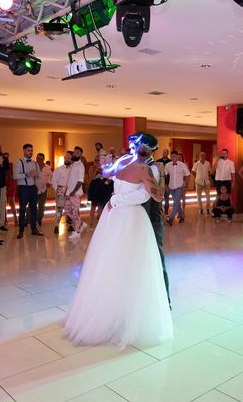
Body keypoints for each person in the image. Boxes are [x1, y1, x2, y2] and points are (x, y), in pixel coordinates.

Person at [63, 141, 172, 348]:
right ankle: (130, 315)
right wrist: (158, 180)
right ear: (150, 151)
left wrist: (116, 200)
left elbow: (107, 176)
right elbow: (156, 195)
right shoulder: (145, 169)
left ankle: (109, 312)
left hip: (113, 216)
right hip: (132, 217)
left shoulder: (121, 163)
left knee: (111, 260)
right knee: (137, 263)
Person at [128, 133, 170, 305]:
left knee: (155, 260)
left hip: (150, 221)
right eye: (138, 145)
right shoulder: (133, 166)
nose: (139, 149)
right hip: (134, 220)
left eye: (144, 146)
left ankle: (162, 301)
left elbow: (154, 196)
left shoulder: (153, 168)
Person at [14, 144, 42, 238]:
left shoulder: (34, 163)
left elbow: (39, 175)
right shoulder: (19, 162)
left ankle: (34, 229)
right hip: (23, 188)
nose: (31, 152)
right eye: (29, 150)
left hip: (33, 187)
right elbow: (15, 176)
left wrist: (36, 174)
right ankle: (21, 230)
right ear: (24, 151)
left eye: (31, 150)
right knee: (22, 209)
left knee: (34, 209)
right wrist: (27, 174)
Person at [66, 149, 87, 240]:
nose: (74, 154)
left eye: (77, 153)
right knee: (67, 211)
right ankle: (81, 224)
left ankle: (77, 231)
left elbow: (80, 181)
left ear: (81, 155)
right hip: (68, 193)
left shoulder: (80, 165)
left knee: (75, 213)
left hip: (75, 194)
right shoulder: (72, 164)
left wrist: (73, 192)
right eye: (74, 152)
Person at [165, 151, 190, 225]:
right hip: (171, 187)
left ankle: (171, 219)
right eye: (172, 156)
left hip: (179, 186)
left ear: (177, 156)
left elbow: (188, 174)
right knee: (177, 203)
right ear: (170, 157)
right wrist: (166, 185)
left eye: (175, 156)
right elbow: (166, 176)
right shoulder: (167, 165)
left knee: (175, 203)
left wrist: (185, 183)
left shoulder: (183, 165)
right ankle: (181, 217)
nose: (173, 158)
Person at [52, 153, 71, 234]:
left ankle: (70, 226)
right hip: (60, 191)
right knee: (59, 209)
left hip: (70, 191)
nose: (66, 159)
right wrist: (58, 190)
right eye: (65, 158)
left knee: (70, 209)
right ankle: (56, 226)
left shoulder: (73, 169)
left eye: (68, 158)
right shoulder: (58, 169)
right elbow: (54, 181)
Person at [35, 153, 53, 227]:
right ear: (36, 158)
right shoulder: (33, 166)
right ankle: (29, 220)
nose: (39, 160)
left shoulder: (47, 167)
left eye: (41, 158)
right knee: (32, 206)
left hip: (43, 190)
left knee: (41, 206)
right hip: (34, 190)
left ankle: (39, 220)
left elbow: (52, 176)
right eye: (38, 158)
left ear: (43, 159)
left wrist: (49, 182)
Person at [3, 152, 18, 227]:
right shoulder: (2, 166)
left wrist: (12, 186)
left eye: (7, 157)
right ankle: (5, 219)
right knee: (3, 203)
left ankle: (15, 219)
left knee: (11, 202)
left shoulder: (11, 165)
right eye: (5, 157)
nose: (6, 158)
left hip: (11, 185)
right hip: (3, 185)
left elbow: (13, 176)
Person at [156, 149, 171, 215]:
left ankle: (166, 212)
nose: (164, 153)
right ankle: (160, 212)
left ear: (168, 153)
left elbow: (170, 175)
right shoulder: (158, 161)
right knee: (159, 198)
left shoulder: (170, 162)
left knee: (167, 198)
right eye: (163, 152)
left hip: (167, 183)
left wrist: (168, 184)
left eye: (165, 152)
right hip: (159, 183)